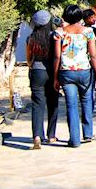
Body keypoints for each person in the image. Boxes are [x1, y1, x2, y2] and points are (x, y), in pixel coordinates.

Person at [52, 4, 96, 148]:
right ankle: (87, 133)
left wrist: (55, 77)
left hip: (66, 72)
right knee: (87, 101)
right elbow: (93, 55)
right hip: (84, 71)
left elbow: (56, 57)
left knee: (71, 105)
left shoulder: (59, 33)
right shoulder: (88, 32)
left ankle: (74, 139)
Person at [25, 10, 60, 149]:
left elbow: (28, 59)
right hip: (52, 71)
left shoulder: (31, 38)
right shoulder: (54, 37)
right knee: (53, 102)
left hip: (37, 71)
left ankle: (37, 136)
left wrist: (32, 65)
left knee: (37, 104)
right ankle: (51, 135)